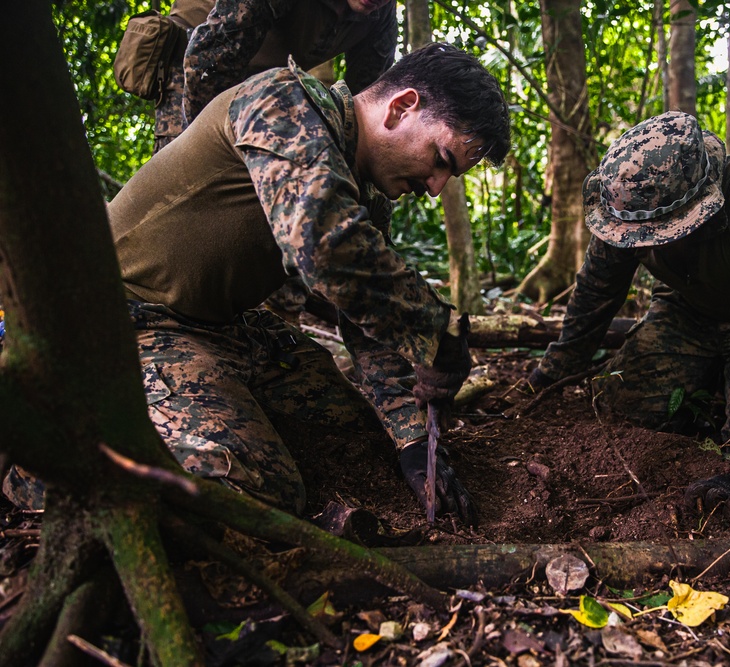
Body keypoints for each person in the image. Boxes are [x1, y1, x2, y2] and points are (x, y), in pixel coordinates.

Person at [3, 43, 510, 525]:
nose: (435, 186)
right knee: (258, 485)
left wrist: (412, 442)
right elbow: (326, 248)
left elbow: (365, 319)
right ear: (401, 107)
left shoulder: (367, 191)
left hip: (223, 326)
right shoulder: (281, 100)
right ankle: (34, 461)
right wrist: (437, 330)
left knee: (352, 440)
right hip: (125, 321)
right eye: (441, 160)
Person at [527, 112, 730, 518]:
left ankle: (726, 392)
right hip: (683, 315)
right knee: (622, 403)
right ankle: (706, 384)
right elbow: (596, 292)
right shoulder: (624, 204)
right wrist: (552, 373)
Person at [154, 0, 398, 153]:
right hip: (200, 57)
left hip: (265, 76)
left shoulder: (381, 14)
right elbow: (209, 62)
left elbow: (368, 100)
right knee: (185, 167)